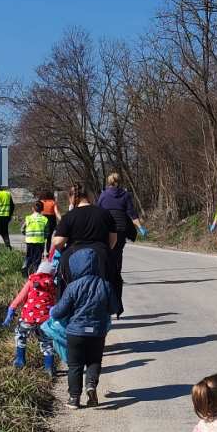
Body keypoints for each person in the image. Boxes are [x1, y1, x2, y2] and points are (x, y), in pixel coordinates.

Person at [49, 246, 113, 408]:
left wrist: (52, 311)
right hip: (97, 332)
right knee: (94, 361)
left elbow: (59, 311)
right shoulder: (105, 285)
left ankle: (74, 398)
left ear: (75, 266)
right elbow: (113, 307)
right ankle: (91, 385)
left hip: (75, 333)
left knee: (75, 365)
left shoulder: (72, 287)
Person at [51, 184, 119, 313]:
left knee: (68, 290)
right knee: (103, 288)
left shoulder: (69, 216)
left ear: (71, 198)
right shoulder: (104, 214)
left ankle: (69, 315)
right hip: (101, 257)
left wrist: (60, 247)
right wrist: (103, 249)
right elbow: (113, 240)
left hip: (73, 258)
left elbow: (58, 242)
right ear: (90, 196)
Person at [97, 172, 145, 313]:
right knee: (118, 253)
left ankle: (106, 277)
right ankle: (116, 275)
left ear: (109, 181)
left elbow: (98, 211)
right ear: (120, 181)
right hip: (121, 229)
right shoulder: (125, 195)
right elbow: (132, 213)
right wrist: (140, 227)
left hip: (107, 229)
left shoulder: (104, 195)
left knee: (106, 254)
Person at [5, 258, 57, 373]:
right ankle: (49, 368)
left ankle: (20, 359)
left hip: (28, 318)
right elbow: (56, 303)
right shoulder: (53, 285)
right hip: (45, 320)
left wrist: (11, 309)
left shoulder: (31, 282)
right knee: (47, 342)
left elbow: (20, 297)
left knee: (20, 334)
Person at [19, 200, 51, 273]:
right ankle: (36, 271)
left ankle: (25, 266)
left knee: (28, 256)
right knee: (38, 258)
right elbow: (47, 232)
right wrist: (44, 237)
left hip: (29, 241)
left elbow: (22, 229)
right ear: (42, 209)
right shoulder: (45, 219)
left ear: (32, 208)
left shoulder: (28, 218)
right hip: (39, 241)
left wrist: (26, 234)